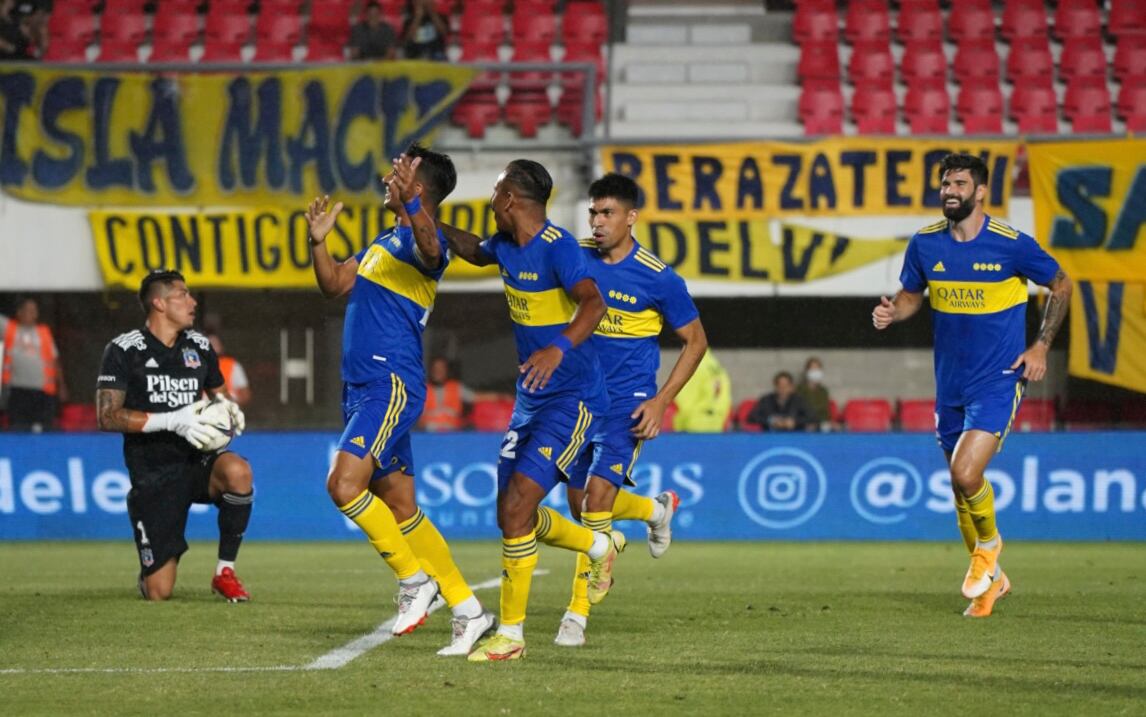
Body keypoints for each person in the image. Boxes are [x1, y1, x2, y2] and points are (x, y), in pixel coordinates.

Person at [403, 156, 624, 662]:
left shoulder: (559, 248)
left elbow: (593, 304)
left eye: (495, 192)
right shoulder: (504, 246)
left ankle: (512, 635)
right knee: (510, 513)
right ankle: (596, 547)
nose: (489, 202)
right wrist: (415, 209)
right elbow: (470, 249)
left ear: (510, 200)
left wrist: (557, 349)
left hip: (574, 396)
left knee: (520, 505)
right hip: (532, 397)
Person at [304, 143, 495, 656]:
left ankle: (415, 582)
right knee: (403, 506)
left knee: (344, 485)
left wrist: (414, 205)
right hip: (362, 387)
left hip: (389, 383)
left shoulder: (419, 240)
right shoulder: (385, 241)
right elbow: (333, 285)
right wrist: (318, 244)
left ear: (420, 187)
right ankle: (468, 609)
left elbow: (433, 249)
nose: (388, 177)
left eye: (400, 172)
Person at [872, 152, 1071, 618]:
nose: (950, 191)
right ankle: (992, 583)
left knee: (966, 473)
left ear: (980, 191)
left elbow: (1061, 285)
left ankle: (989, 548)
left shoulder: (1011, 244)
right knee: (961, 487)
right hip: (951, 383)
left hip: (999, 379)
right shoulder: (924, 244)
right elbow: (909, 298)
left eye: (959, 183)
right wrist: (891, 312)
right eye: (945, 184)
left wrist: (1040, 345)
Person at [555, 172, 709, 647]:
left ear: (631, 217)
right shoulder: (574, 257)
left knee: (597, 502)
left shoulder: (659, 278)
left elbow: (696, 342)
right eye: (593, 213)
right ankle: (654, 511)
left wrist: (661, 401)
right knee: (579, 504)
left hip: (627, 405)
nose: (597, 222)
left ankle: (575, 616)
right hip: (578, 400)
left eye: (607, 213)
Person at [95, 270, 252, 602]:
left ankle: (225, 572)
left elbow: (220, 396)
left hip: (197, 462)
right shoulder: (124, 350)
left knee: (238, 471)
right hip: (154, 474)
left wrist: (229, 412)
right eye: (182, 294)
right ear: (159, 303)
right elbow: (107, 417)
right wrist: (172, 420)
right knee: (159, 592)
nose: (192, 301)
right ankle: (150, 571)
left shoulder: (199, 346)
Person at [1, 297, 66, 431]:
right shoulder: (10, 328)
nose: (33, 314)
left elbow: (54, 360)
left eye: (34, 311)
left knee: (44, 428)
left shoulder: (43, 332)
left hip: (43, 391)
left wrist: (62, 385)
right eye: (29, 310)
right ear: (19, 313)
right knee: (18, 428)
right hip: (18, 390)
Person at [420, 356, 510, 432]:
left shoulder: (456, 387)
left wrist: (501, 396)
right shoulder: (422, 390)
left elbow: (477, 397)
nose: (438, 371)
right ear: (431, 371)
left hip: (452, 433)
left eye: (441, 368)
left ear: (446, 371)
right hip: (429, 434)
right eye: (436, 368)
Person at [671, 349, 731, 432]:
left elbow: (684, 402)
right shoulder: (716, 366)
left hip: (693, 424)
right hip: (717, 423)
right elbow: (725, 398)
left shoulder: (692, 364)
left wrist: (679, 426)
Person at [746, 370, 816, 432]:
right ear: (775, 386)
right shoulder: (766, 400)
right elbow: (752, 417)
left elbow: (813, 417)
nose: (782, 389)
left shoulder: (799, 400)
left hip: (794, 437)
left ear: (791, 387)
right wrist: (771, 421)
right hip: (769, 438)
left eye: (786, 386)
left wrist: (795, 421)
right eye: (780, 386)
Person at [207, 333, 251, 408]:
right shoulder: (194, 366)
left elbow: (245, 395)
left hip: (226, 411)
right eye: (208, 344)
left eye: (215, 344)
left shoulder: (232, 365)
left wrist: (232, 406)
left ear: (221, 346)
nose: (212, 347)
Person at [796, 356, 834, 431]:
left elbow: (824, 411)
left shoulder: (823, 391)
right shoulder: (799, 390)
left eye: (817, 369)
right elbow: (800, 410)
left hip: (822, 424)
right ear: (807, 371)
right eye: (812, 369)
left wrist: (828, 423)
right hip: (804, 424)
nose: (815, 371)